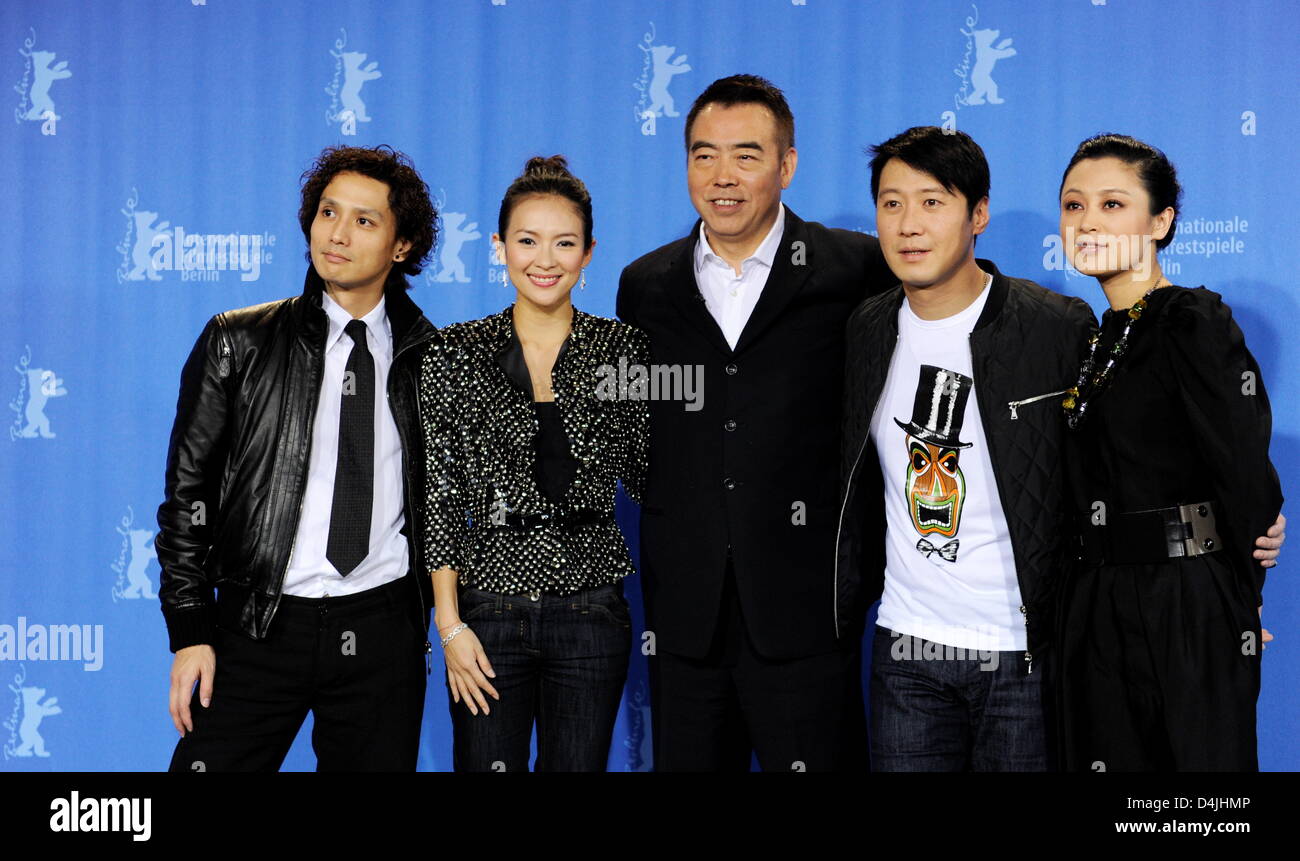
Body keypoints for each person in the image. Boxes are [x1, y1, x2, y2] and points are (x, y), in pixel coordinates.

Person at [617, 74, 893, 771]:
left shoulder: (854, 267)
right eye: (704, 155)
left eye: (746, 154)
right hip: (685, 615)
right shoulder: (645, 285)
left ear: (787, 165)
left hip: (807, 611)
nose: (722, 176)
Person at [158, 145, 439, 771]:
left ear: (403, 246)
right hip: (258, 624)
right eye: (327, 212)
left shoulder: (433, 358)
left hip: (382, 627)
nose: (337, 233)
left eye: (365, 221)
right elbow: (187, 497)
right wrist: (191, 632)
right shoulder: (239, 340)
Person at [836, 127, 1096, 771]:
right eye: (891, 204)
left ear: (977, 215)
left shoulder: (1056, 326)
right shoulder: (867, 327)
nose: (908, 225)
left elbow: (1117, 468)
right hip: (906, 651)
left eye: (932, 202)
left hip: (1022, 655)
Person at [1056, 134, 1284, 771]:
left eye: (1111, 204)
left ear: (1161, 222)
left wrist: (1240, 597)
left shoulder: (1191, 319)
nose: (1087, 222)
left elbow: (1242, 466)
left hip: (1184, 599)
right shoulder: (1094, 340)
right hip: (1095, 599)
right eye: (1073, 206)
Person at [420, 156, 648, 772]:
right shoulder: (456, 352)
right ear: (499, 247)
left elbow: (651, 475)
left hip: (592, 609)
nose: (544, 260)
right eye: (527, 240)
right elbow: (439, 496)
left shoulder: (623, 349)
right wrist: (449, 625)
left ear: (589, 252)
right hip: (486, 612)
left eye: (564, 243)